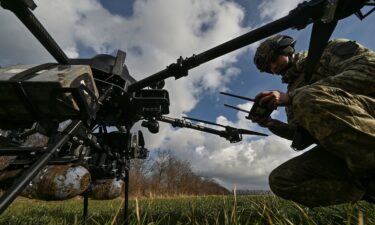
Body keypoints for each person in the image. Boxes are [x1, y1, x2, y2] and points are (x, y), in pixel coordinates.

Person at [251, 34, 375, 207]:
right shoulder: (292, 92)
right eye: (268, 67)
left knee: (306, 97)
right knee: (281, 180)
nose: (273, 68)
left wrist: (295, 97)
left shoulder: (327, 51)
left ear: (286, 49)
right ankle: (367, 188)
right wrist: (271, 124)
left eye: (272, 59)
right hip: (346, 148)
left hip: (369, 116)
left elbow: (370, 71)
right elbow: (304, 136)